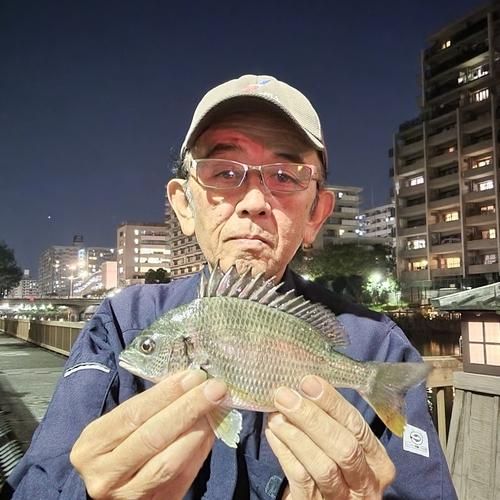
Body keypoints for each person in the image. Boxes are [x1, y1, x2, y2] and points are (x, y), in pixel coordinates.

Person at [2, 74, 458, 499]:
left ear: (316, 215)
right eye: (223, 172)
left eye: (284, 176)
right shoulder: (122, 323)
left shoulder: (379, 348)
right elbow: (38, 478)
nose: (254, 202)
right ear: (183, 206)